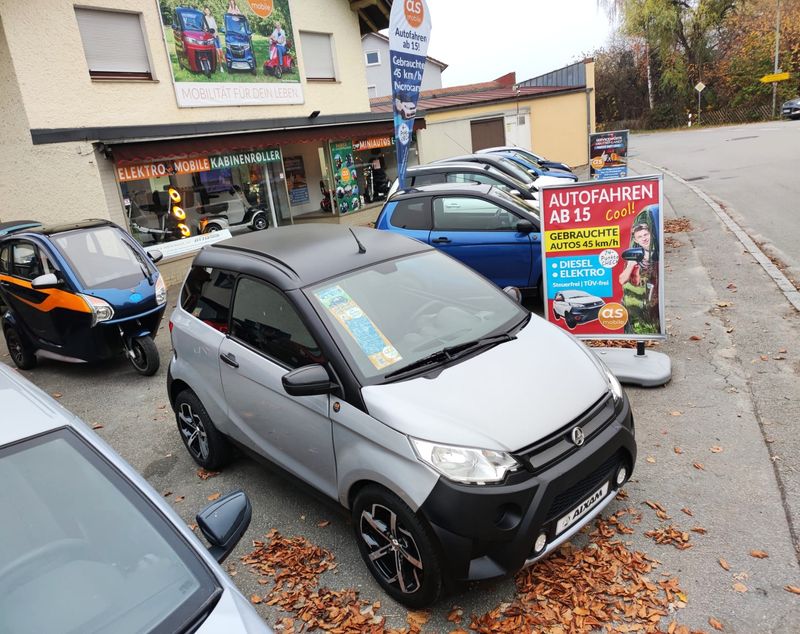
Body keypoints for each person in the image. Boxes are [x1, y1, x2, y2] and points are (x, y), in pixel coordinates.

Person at [619, 221, 659, 334]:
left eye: (646, 235)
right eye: (640, 237)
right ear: (636, 240)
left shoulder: (659, 250)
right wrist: (631, 265)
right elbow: (622, 280)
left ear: (651, 234)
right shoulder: (636, 255)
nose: (644, 238)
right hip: (641, 299)